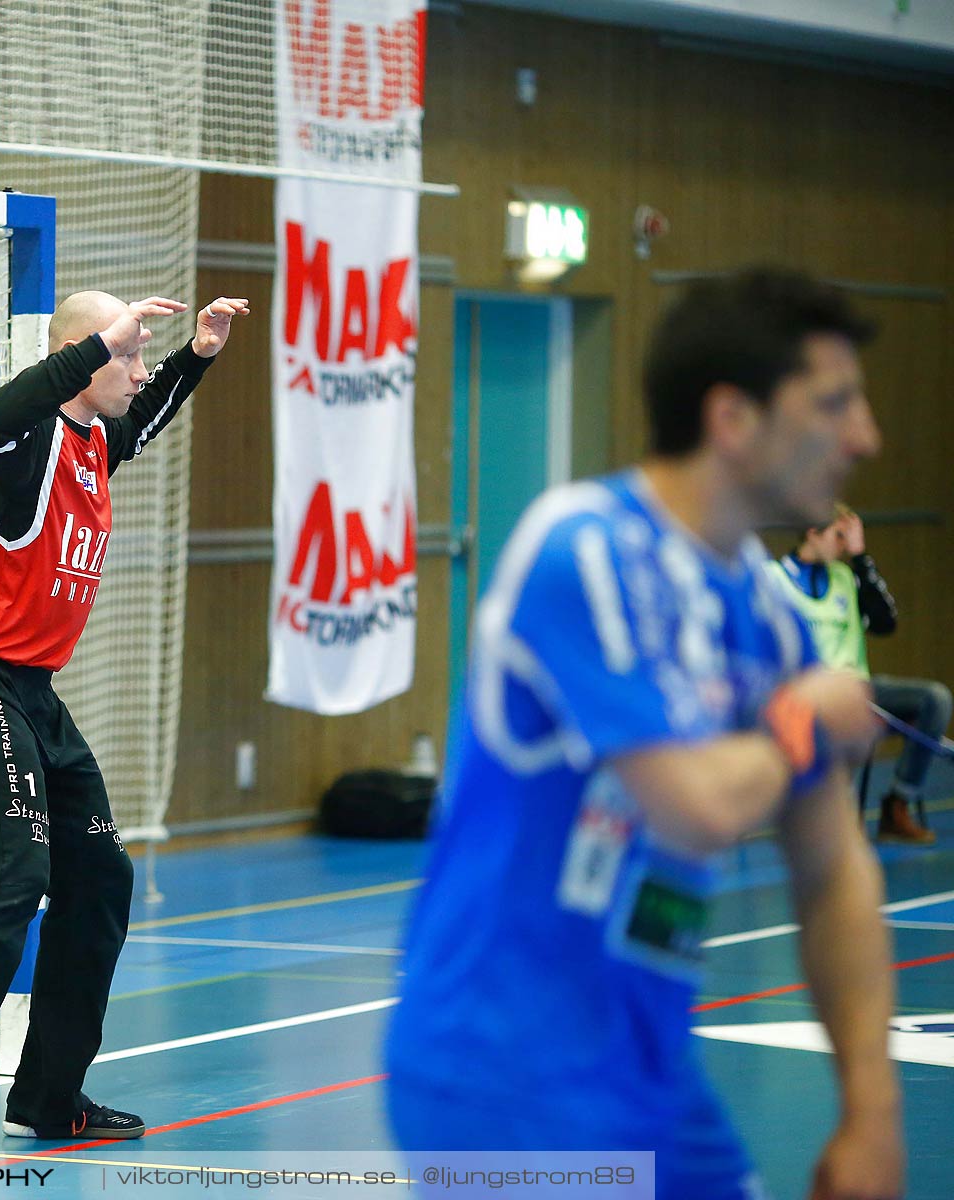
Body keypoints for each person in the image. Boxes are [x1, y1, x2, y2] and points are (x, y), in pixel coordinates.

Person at [385, 268, 904, 1200]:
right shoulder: (585, 549)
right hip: (504, 1080)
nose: (864, 436)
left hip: (651, 1073)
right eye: (833, 404)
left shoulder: (764, 609)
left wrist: (870, 1112)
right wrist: (803, 720)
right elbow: (694, 808)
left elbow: (833, 867)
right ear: (734, 418)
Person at [0, 291, 250, 1167]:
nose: (139, 372)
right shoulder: (19, 443)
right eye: (128, 355)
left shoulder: (94, 443)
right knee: (13, 875)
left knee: (100, 876)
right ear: (84, 354)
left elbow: (146, 413)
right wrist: (97, 344)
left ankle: (48, 1097)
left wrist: (199, 355)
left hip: (33, 692)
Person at [769, 504, 946, 844]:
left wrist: (861, 558)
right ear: (812, 533)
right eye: (839, 536)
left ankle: (897, 804)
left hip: (860, 690)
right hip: (806, 699)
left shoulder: (846, 576)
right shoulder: (773, 579)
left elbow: (885, 622)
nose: (844, 546)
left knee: (934, 699)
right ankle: (826, 814)